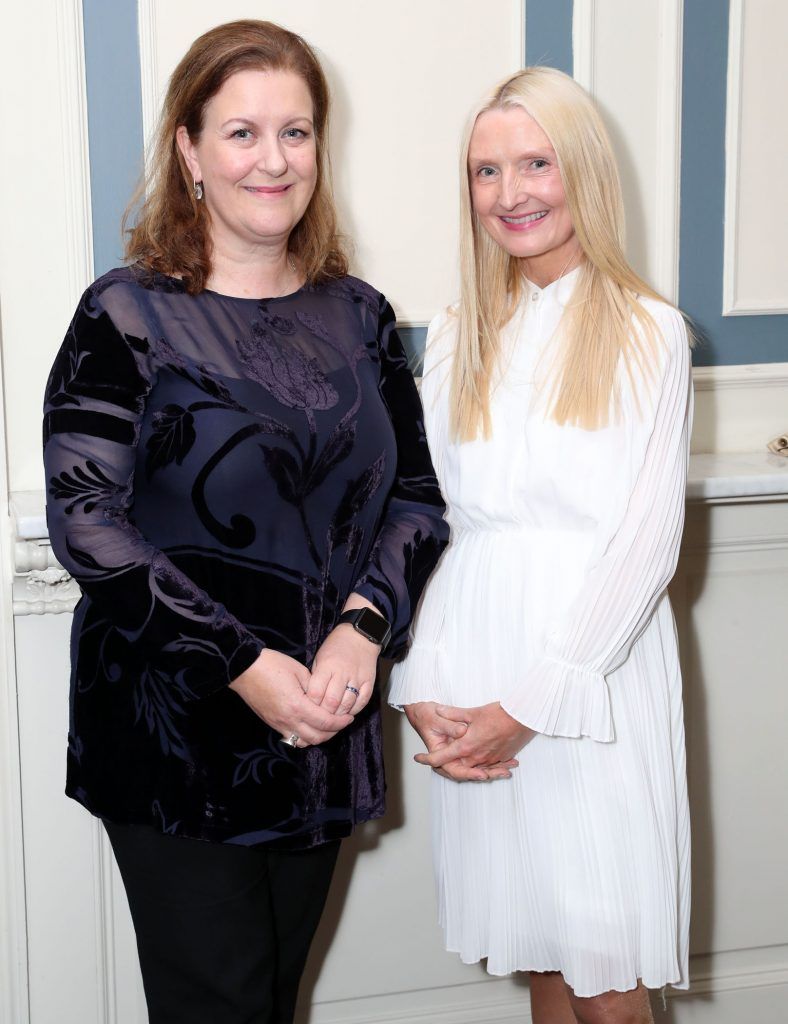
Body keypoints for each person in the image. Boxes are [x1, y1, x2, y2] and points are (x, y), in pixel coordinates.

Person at [43, 20, 448, 1024]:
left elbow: (417, 501)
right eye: (241, 133)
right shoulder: (127, 313)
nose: (273, 159)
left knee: (270, 1001)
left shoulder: (358, 316)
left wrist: (363, 624)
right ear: (188, 150)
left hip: (320, 722)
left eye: (296, 132)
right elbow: (86, 519)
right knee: (216, 1007)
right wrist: (245, 663)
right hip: (179, 731)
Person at [389, 66, 692, 1024]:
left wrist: (535, 698)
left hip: (589, 675)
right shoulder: (455, 339)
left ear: (584, 173)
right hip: (475, 663)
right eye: (486, 171)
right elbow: (437, 523)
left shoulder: (651, 333)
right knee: (544, 955)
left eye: (535, 163)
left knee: (605, 964)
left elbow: (645, 548)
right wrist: (424, 681)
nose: (510, 193)